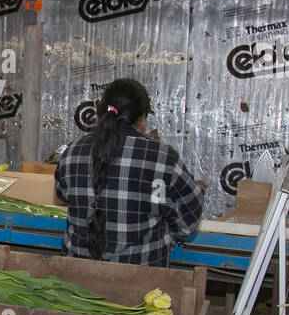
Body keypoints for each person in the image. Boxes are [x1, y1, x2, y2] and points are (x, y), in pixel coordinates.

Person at [54, 77, 203, 268]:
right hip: (142, 287)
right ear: (141, 119)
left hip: (76, 283)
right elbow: (187, 224)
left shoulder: (72, 151)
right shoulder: (162, 158)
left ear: (101, 113)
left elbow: (62, 195)